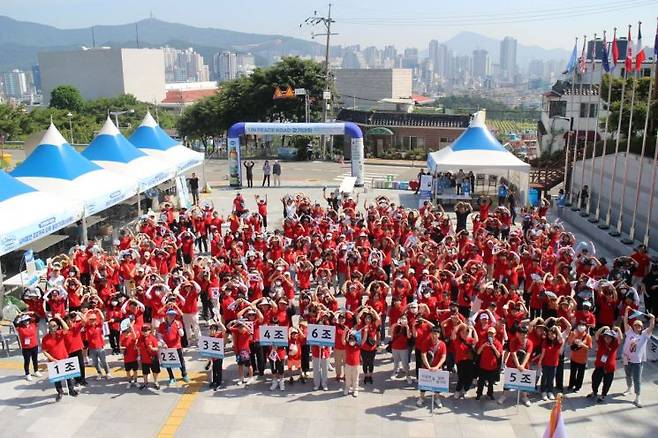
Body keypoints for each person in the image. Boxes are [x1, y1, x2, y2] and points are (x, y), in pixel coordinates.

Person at [621, 307, 655, 407]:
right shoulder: (629, 332)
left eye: (639, 326)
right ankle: (629, 388)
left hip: (637, 361)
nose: (637, 327)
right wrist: (626, 311)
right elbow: (625, 321)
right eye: (635, 325)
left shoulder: (644, 335)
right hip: (627, 358)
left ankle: (637, 397)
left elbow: (651, 327)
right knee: (628, 375)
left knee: (637, 379)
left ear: (642, 327)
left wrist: (652, 319)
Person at [41, 315, 79, 401]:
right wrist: (52, 359)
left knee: (68, 376)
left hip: (64, 358)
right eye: (50, 326)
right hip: (54, 361)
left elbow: (67, 328)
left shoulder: (60, 333)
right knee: (57, 379)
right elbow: (44, 351)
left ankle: (71, 390)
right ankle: (60, 392)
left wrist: (60, 318)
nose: (51, 327)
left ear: (57, 327)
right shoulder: (45, 338)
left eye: (53, 326)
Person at [587, 325, 623, 403]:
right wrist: (604, 328)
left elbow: (620, 339)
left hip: (609, 368)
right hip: (599, 366)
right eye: (606, 336)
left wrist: (619, 329)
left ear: (612, 338)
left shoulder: (614, 344)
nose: (607, 338)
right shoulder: (601, 342)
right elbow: (597, 334)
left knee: (607, 383)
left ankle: (603, 395)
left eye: (609, 337)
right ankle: (594, 392)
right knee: (595, 380)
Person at [157, 309, 190, 385]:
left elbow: (182, 334)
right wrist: (163, 343)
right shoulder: (162, 325)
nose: (172, 316)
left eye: (173, 315)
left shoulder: (178, 323)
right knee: (168, 363)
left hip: (177, 346)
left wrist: (179, 327)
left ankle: (184, 374)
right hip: (166, 347)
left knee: (181, 361)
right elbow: (159, 336)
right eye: (170, 314)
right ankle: (171, 377)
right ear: (167, 315)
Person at [417, 326, 446, 408]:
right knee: (423, 385)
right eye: (432, 334)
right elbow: (423, 355)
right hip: (427, 367)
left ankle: (437, 398)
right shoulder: (425, 342)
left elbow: (443, 357)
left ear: (439, 335)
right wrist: (428, 367)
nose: (434, 336)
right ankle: (422, 397)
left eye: (436, 334)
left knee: (437, 386)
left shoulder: (442, 344)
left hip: (437, 368)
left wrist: (437, 367)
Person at [475, 326, 502, 401]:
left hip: (492, 367)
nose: (490, 335)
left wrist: (493, 347)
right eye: (489, 333)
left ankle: (490, 394)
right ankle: (479, 394)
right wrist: (483, 346)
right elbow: (478, 352)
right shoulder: (483, 341)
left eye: (492, 333)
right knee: (481, 382)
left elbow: (499, 355)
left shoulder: (497, 343)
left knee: (491, 383)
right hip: (483, 366)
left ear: (495, 334)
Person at [14, 312, 41, 381]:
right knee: (27, 361)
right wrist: (18, 316)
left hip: (34, 346)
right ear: (22, 322)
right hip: (26, 348)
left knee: (35, 360)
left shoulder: (33, 325)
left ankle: (36, 371)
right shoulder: (20, 328)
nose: (26, 322)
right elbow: (15, 323)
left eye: (27, 320)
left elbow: (38, 318)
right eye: (24, 321)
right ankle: (27, 374)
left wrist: (32, 313)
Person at [566, 322, 592, 393]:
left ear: (585, 327)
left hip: (582, 359)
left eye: (583, 325)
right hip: (574, 358)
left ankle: (578, 387)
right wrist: (574, 336)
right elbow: (569, 343)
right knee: (573, 373)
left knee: (580, 374)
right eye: (580, 325)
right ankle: (571, 385)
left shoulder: (588, 336)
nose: (581, 327)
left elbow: (589, 348)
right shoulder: (573, 333)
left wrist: (582, 344)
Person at [137, 324, 161, 390]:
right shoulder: (140, 338)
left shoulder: (153, 338)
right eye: (143, 331)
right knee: (145, 372)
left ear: (149, 331)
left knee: (155, 371)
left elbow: (157, 348)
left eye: (146, 330)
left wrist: (152, 348)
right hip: (144, 359)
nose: (144, 332)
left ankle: (155, 381)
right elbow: (138, 347)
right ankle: (145, 382)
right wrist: (139, 355)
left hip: (153, 358)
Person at [120, 320, 139, 389]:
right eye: (123, 332)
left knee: (135, 371)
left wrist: (131, 327)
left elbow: (135, 336)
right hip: (126, 357)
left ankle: (136, 381)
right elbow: (120, 346)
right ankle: (129, 382)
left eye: (125, 332)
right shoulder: (122, 337)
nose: (124, 334)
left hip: (134, 357)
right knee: (127, 371)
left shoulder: (132, 336)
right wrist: (122, 348)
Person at [343, 329, 361, 397]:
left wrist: (365, 332)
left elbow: (364, 339)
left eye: (353, 340)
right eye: (350, 340)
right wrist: (345, 332)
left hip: (356, 365)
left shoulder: (358, 346)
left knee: (355, 378)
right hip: (348, 365)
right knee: (348, 377)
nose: (351, 341)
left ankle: (355, 389)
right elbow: (343, 340)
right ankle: (347, 388)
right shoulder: (347, 345)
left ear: (355, 340)